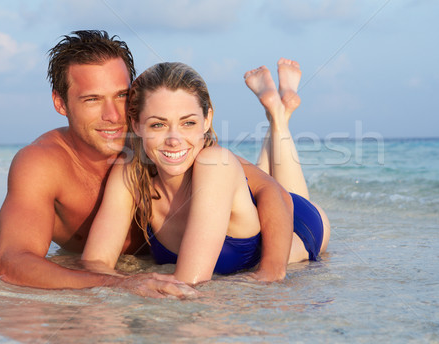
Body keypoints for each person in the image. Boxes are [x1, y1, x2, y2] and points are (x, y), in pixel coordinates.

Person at [0, 30, 293, 298]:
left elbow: (273, 192)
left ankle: (279, 119)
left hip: (246, 233)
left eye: (121, 96)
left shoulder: (155, 139)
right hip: (157, 261)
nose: (112, 115)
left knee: (275, 179)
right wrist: (120, 285)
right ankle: (277, 118)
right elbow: (10, 264)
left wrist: (271, 274)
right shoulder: (43, 164)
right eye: (92, 99)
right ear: (60, 103)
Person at [82, 59, 329, 285]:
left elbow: (188, 284)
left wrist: (272, 270)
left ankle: (278, 117)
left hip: (298, 223)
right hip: (243, 204)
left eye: (188, 123)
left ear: (207, 119)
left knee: (279, 186)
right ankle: (277, 112)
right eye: (158, 124)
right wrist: (127, 284)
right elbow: (94, 263)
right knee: (249, 179)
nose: (174, 140)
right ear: (136, 124)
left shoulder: (214, 163)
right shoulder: (130, 172)